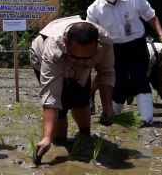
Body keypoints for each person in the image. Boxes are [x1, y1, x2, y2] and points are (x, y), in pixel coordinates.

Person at [30, 16, 115, 164]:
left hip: (79, 66)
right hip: (44, 58)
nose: (81, 62)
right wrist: (46, 138)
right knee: (61, 103)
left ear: (96, 46)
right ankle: (59, 140)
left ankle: (84, 135)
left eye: (87, 57)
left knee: (81, 98)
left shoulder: (105, 43)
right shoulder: (52, 48)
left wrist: (107, 106)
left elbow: (106, 73)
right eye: (76, 57)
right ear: (65, 42)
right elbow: (51, 97)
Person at [87, 0, 162, 125]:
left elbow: (151, 16)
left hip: (137, 45)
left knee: (140, 78)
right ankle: (113, 116)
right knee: (119, 83)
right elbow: (93, 36)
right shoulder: (94, 10)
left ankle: (147, 119)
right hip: (113, 49)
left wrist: (161, 34)